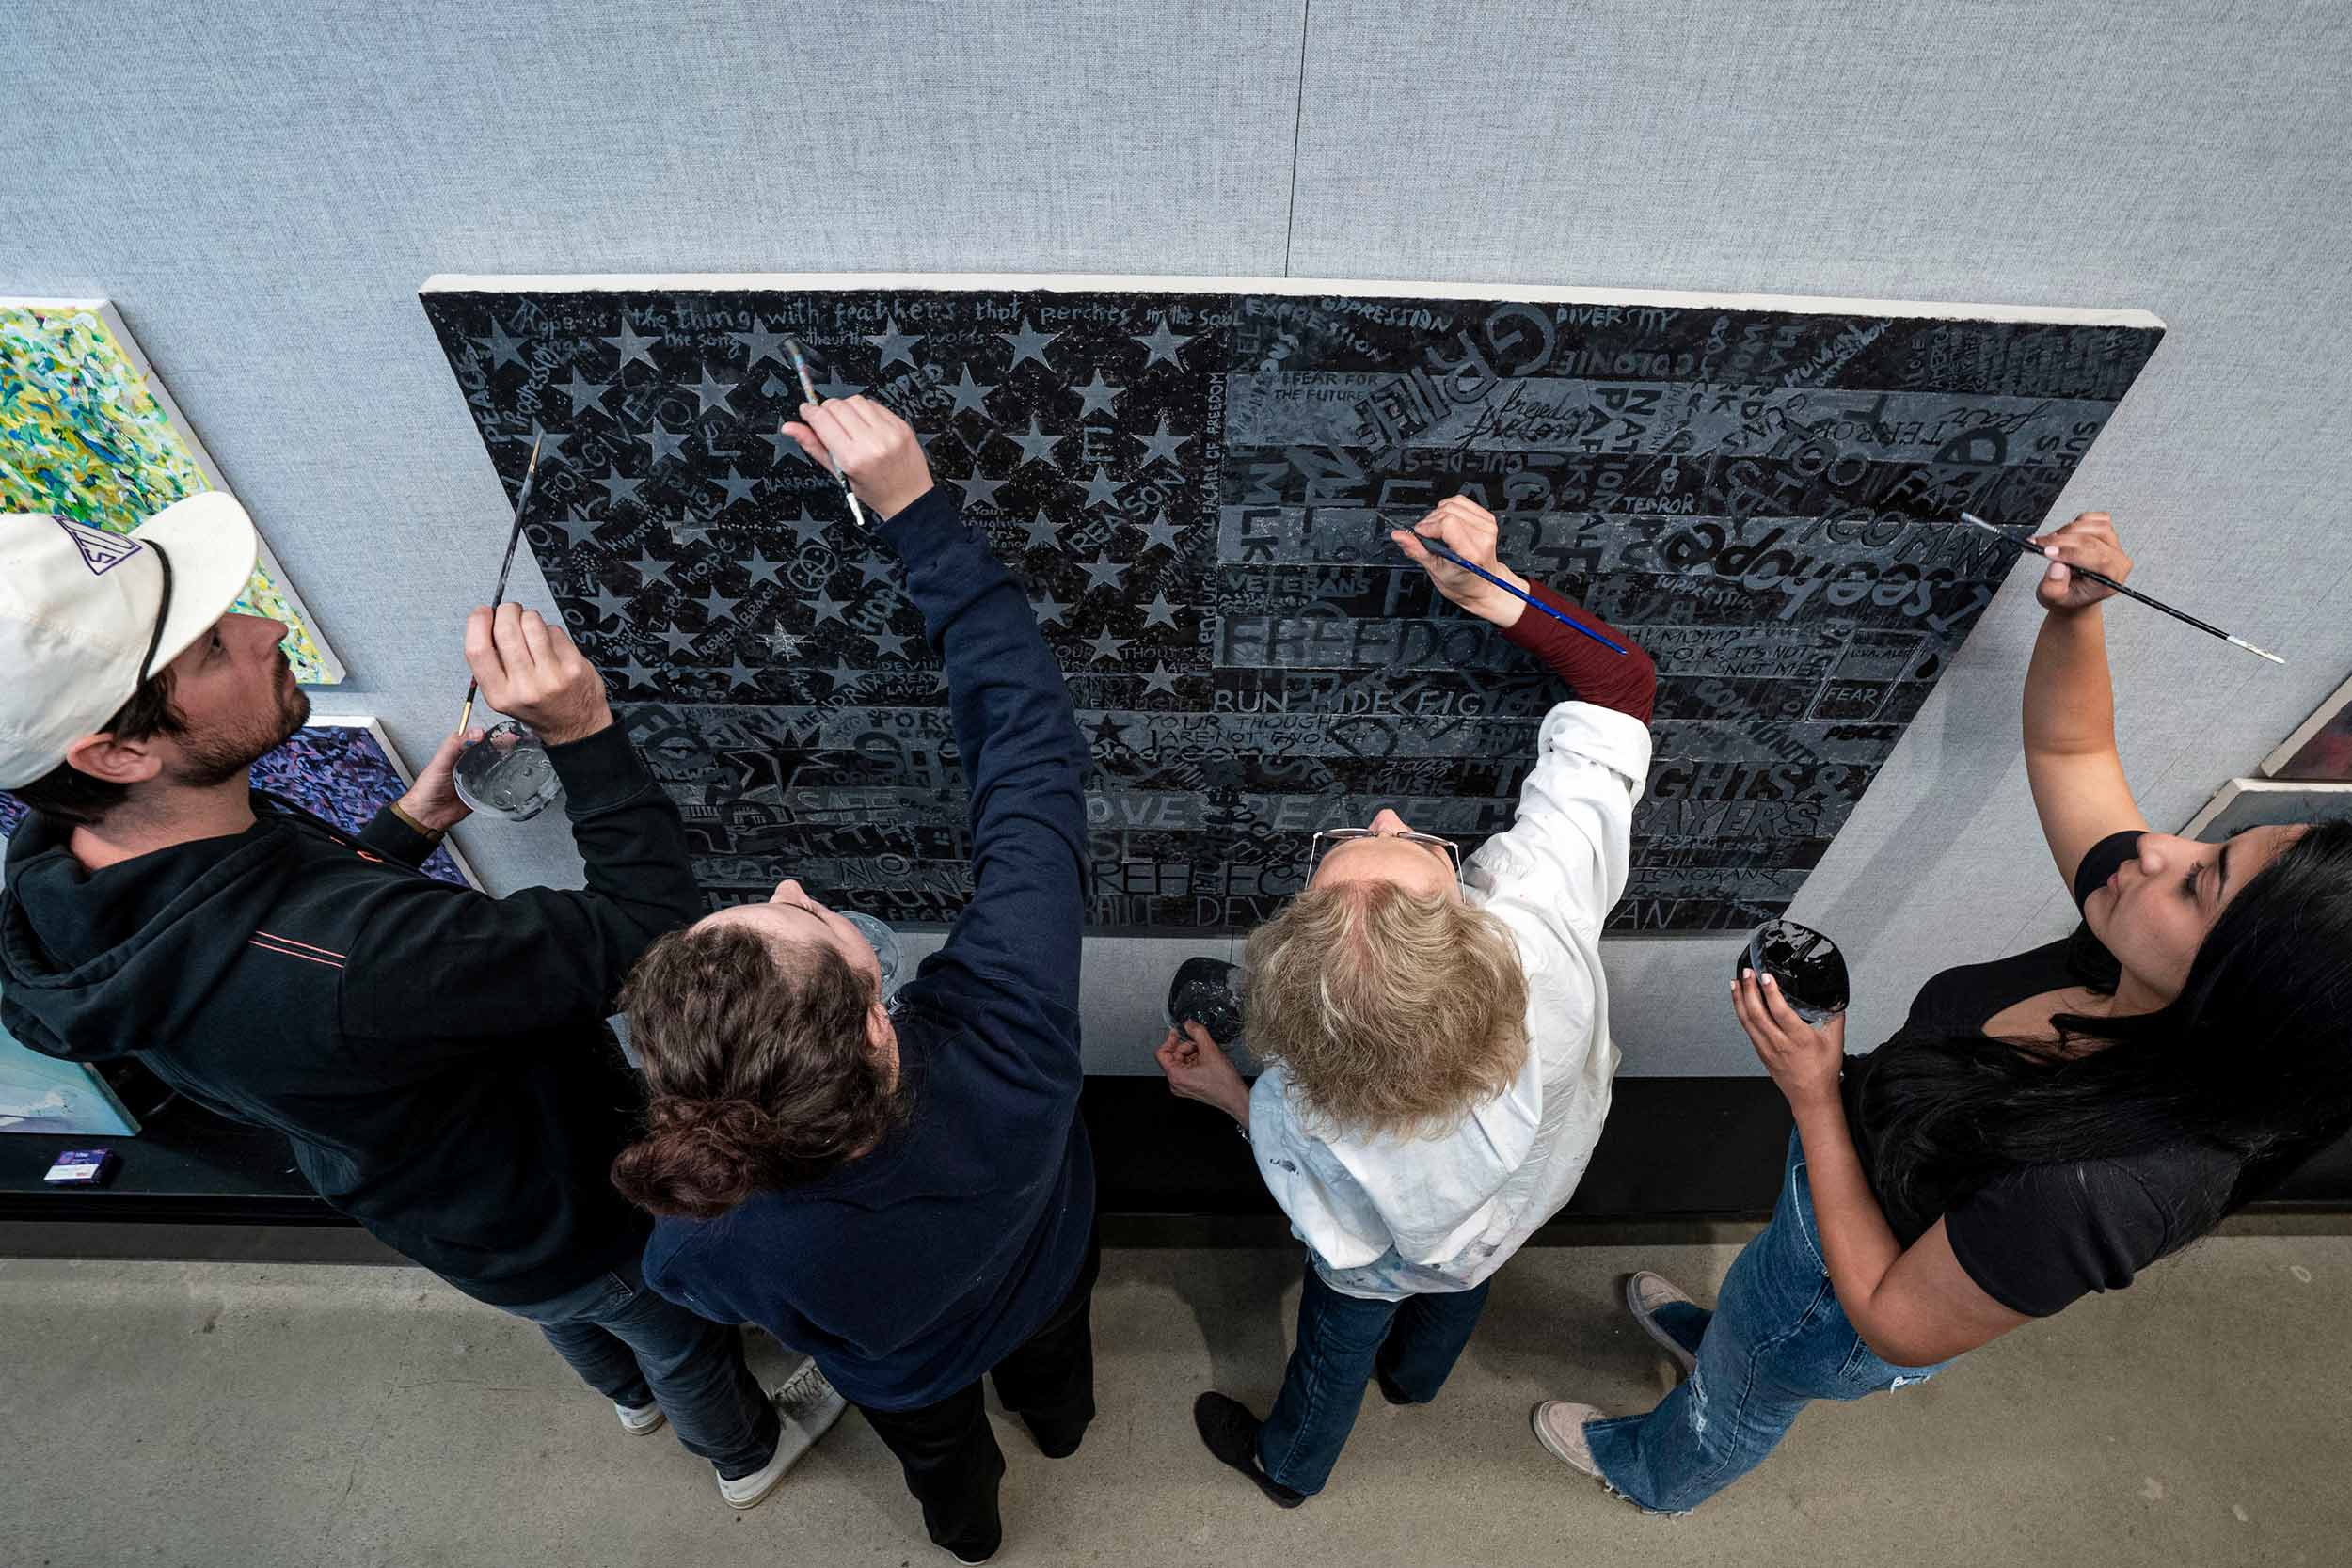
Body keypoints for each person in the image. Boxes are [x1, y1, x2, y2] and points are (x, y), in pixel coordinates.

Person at [0, 498, 841, 1510]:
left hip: (438, 1208)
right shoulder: (360, 961)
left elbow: (249, 924)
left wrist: (408, 822)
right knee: (673, 1332)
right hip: (563, 1201)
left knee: (572, 1315)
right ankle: (745, 1453)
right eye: (214, 646)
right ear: (116, 753)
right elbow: (650, 931)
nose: (265, 629)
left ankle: (629, 1400)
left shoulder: (60, 870)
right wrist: (583, 729)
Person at [1530, 511, 2352, 1511]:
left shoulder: (2101, 1188)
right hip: (1832, 1214)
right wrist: (2077, 616)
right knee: (1755, 1316)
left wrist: (1815, 1096)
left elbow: (1894, 1320)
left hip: (1849, 1298)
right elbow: (2072, 750)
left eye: (2200, 882)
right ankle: (1732, 1339)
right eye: (2215, 844)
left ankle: (1660, 1470)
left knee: (1751, 1391)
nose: (2156, 847)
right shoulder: (2130, 946)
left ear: (2240, 1002)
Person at [615, 394, 1095, 1566]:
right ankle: (1063, 1424)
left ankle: (972, 1535)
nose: (792, 882)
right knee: (1055, 1365)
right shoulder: (1011, 1027)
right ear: (876, 1018)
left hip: (907, 1365)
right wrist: (918, 512)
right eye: (803, 913)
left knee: (943, 1462)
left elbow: (697, 1290)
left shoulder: (708, 1235)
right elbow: (1031, 760)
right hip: (1046, 1263)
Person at [1155, 495, 1660, 1506]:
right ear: (1470, 931)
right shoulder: (1540, 934)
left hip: (1369, 1269)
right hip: (1508, 1216)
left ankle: (1290, 1466)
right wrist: (1499, 593)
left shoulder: (1302, 1095)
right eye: (1413, 845)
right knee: (1462, 1283)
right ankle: (1418, 1379)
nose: (1388, 812)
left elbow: (1295, 1169)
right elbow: (1622, 683)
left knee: (1331, 1350)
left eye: (1367, 840)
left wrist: (1228, 1095)